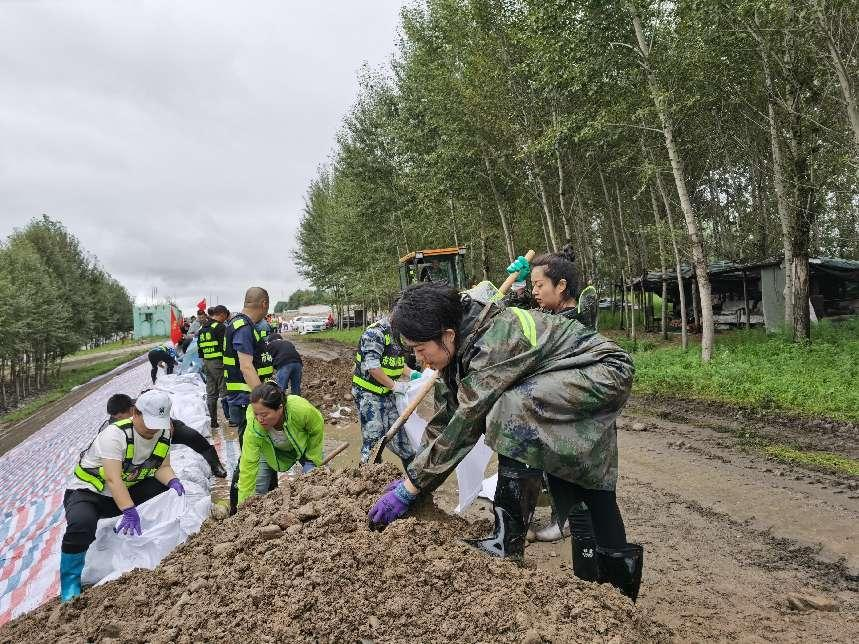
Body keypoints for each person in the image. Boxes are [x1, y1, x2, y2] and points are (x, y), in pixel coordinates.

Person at [367, 283, 643, 602]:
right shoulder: (462, 346)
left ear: (447, 335)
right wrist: (413, 476)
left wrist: (411, 488)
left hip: (602, 373)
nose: (419, 360)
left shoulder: (492, 342)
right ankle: (613, 587)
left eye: (419, 348)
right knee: (583, 477)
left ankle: (506, 541)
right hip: (566, 378)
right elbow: (445, 419)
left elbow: (467, 422)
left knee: (509, 409)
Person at [60, 390, 185, 602]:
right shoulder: (114, 435)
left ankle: (151, 545)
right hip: (91, 493)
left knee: (165, 491)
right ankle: (70, 583)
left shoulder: (163, 433)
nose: (153, 430)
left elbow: (162, 467)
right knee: (82, 524)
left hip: (126, 489)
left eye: (158, 424)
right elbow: (113, 479)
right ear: (135, 413)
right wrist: (129, 510)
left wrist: (173, 481)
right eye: (149, 423)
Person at [528, 245, 600, 578]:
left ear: (561, 287)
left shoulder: (569, 323)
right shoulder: (557, 318)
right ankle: (566, 521)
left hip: (570, 411)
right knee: (556, 471)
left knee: (570, 474)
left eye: (539, 285)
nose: (533, 292)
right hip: (556, 408)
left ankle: (569, 525)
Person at [233, 381, 324, 510]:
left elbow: (316, 429)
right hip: (269, 451)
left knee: (316, 481)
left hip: (302, 446)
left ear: (280, 407)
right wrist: (242, 507)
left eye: (264, 415)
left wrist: (312, 460)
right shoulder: (254, 427)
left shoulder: (300, 409)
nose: (260, 419)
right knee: (257, 492)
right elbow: (248, 466)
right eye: (256, 414)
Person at [105, 393, 226, 478]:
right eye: (116, 418)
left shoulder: (144, 404)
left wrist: (167, 423)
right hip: (140, 441)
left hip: (165, 428)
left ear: (132, 409)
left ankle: (216, 465)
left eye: (121, 417)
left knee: (193, 437)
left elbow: (162, 409)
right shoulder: (115, 423)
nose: (118, 420)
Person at [352, 317, 415, 465]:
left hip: (388, 394)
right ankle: (366, 482)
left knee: (404, 442)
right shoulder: (376, 333)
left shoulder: (399, 333)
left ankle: (416, 483)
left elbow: (396, 362)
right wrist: (396, 386)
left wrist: (412, 373)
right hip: (368, 395)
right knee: (374, 442)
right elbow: (373, 367)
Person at [222, 287, 273, 439]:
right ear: (264, 304)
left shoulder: (241, 324)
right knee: (251, 446)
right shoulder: (243, 327)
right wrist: (263, 401)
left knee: (250, 445)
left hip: (247, 397)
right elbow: (246, 367)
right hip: (247, 398)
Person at [197, 305, 230, 427]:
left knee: (211, 393)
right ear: (221, 314)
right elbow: (225, 347)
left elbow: (200, 350)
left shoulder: (202, 329)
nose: (225, 320)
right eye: (225, 317)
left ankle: (213, 421)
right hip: (219, 363)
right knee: (225, 390)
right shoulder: (220, 327)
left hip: (206, 363)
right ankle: (230, 419)